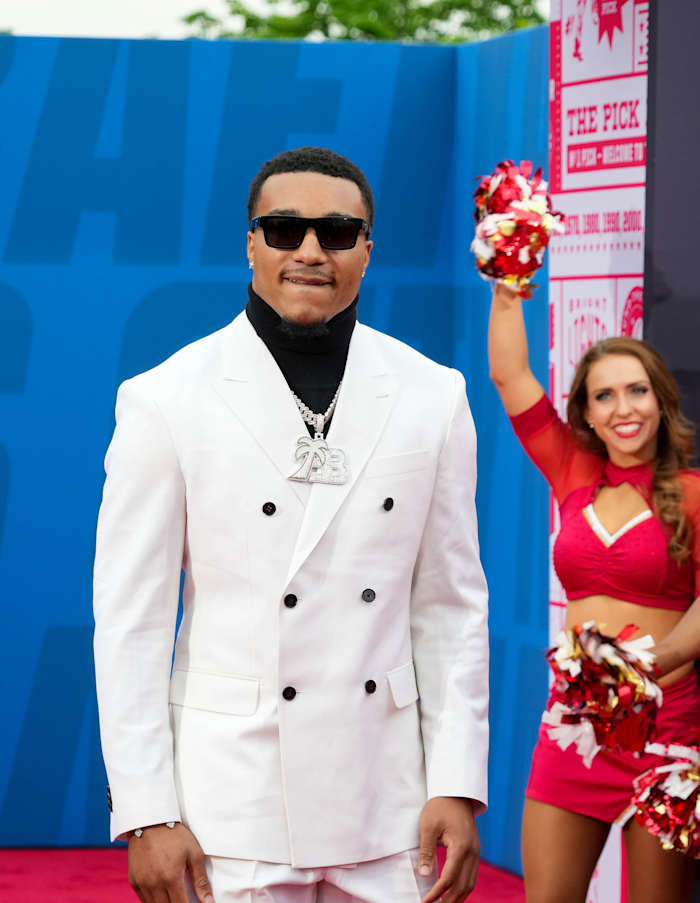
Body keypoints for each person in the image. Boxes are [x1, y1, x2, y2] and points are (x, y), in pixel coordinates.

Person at [93, 146, 489, 903]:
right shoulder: (166, 397)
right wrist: (145, 811)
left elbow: (451, 607)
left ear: (367, 249)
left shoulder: (434, 395)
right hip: (228, 807)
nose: (310, 250)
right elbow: (131, 623)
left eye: (337, 232)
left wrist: (457, 780)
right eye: (284, 229)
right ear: (251, 243)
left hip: (388, 803)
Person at [488, 281, 700, 903]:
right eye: (603, 395)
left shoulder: (693, 492)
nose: (622, 408)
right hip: (573, 726)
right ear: (584, 411)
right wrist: (507, 282)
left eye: (637, 390)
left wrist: (649, 666)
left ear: (661, 400)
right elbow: (509, 375)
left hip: (666, 728)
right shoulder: (573, 471)